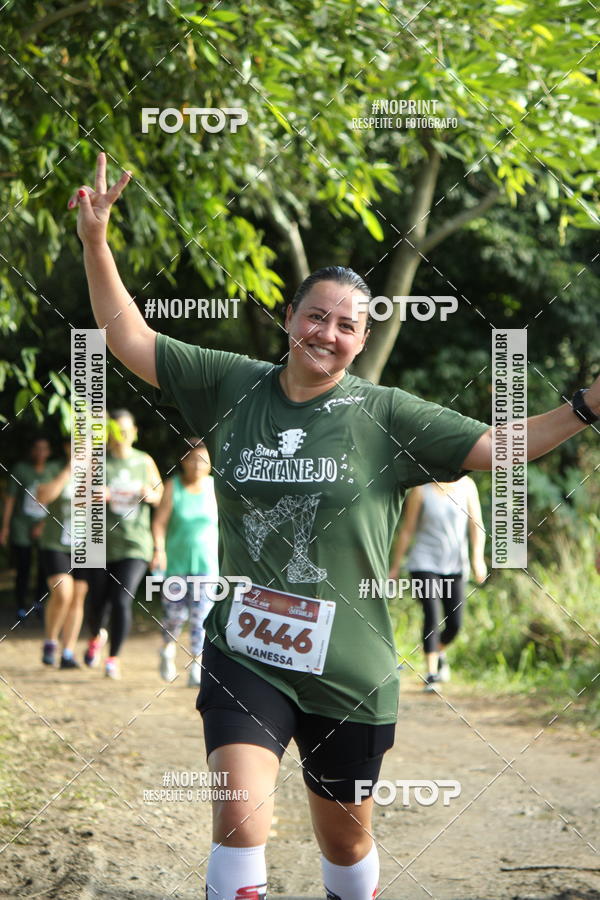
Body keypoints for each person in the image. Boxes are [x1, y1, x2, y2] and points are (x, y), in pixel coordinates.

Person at [70, 152, 600, 900]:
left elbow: (494, 447)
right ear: (288, 318)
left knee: (345, 847)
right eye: (315, 315)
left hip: (350, 668)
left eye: (346, 325)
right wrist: (97, 243)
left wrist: (583, 407)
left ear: (359, 340)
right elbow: (128, 338)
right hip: (246, 647)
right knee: (238, 818)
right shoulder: (231, 384)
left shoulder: (385, 415)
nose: (328, 332)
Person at [389, 476, 487, 691]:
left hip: (455, 566)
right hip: (423, 563)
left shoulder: (467, 486)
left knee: (455, 624)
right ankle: (432, 674)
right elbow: (407, 531)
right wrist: (395, 567)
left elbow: (476, 525)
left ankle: (437, 651)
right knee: (432, 614)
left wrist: (477, 559)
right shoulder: (421, 490)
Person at [85, 410, 162, 679]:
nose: (122, 437)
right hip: (100, 543)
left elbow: (159, 494)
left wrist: (148, 494)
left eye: (127, 431)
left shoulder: (144, 461)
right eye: (116, 431)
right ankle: (97, 635)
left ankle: (113, 658)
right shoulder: (98, 462)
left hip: (135, 544)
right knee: (97, 603)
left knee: (121, 599)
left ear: (135, 432)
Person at [151, 437, 219, 687]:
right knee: (174, 616)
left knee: (202, 617)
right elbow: (159, 522)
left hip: (207, 563)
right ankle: (167, 649)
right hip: (176, 563)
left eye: (203, 458)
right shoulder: (173, 487)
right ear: (183, 461)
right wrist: (159, 549)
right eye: (192, 458)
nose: (198, 464)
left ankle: (196, 665)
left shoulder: (216, 488)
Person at [37, 439, 89, 668]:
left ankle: (67, 652)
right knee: (63, 593)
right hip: (56, 542)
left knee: (78, 596)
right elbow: (44, 497)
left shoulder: (99, 472)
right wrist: (70, 469)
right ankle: (50, 640)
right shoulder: (54, 468)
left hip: (88, 545)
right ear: (67, 447)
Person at [1, 435, 53, 622]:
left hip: (46, 526)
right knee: (23, 566)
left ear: (49, 452)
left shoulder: (52, 471)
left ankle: (39, 603)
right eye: (37, 448)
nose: (40, 453)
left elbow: (56, 502)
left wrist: (43, 524)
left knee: (44, 566)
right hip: (21, 524)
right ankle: (21, 605)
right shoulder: (21, 470)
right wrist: (5, 527)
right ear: (31, 451)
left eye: (44, 448)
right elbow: (10, 499)